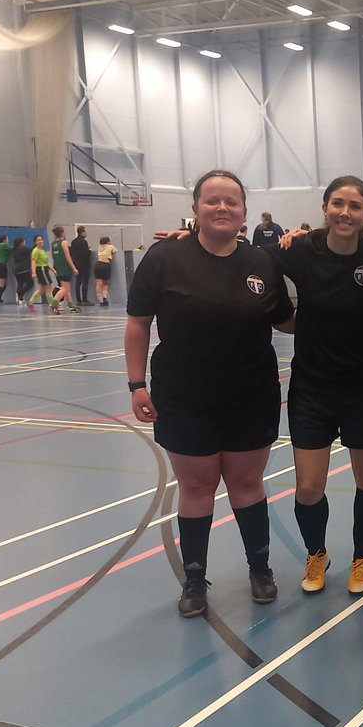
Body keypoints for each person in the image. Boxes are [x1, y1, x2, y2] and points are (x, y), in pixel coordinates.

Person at [125, 169, 295, 618]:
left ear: (243, 212)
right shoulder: (163, 258)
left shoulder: (262, 262)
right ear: (196, 208)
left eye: (231, 202)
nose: (222, 208)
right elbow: (138, 323)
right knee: (197, 487)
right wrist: (136, 383)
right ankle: (195, 579)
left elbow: (285, 319)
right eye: (212, 200)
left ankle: (260, 568)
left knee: (246, 483)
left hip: (250, 394)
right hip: (183, 397)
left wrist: (332, 299)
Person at [269, 177, 363, 596]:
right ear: (324, 207)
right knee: (307, 486)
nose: (345, 212)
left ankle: (361, 557)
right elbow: (245, 261)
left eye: (354, 206)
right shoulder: (302, 249)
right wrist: (189, 237)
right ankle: (317, 552)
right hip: (312, 387)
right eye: (337, 203)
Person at [49, 226, 80, 313]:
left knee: (66, 288)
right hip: (65, 267)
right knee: (65, 288)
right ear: (62, 233)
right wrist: (73, 267)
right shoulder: (64, 242)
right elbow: (67, 256)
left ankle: (71, 306)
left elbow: (53, 256)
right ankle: (54, 304)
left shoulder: (53, 243)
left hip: (58, 267)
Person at [27, 234, 57, 313]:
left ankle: (30, 303)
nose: (40, 241)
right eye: (38, 240)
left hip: (45, 269)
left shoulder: (42, 250)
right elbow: (33, 262)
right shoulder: (35, 251)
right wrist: (33, 272)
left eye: (41, 239)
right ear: (35, 242)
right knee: (49, 288)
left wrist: (53, 270)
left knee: (41, 289)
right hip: (41, 270)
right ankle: (53, 305)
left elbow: (47, 262)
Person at [70, 226, 93, 305]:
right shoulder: (83, 242)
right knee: (85, 282)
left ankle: (78, 300)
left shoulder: (73, 242)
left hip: (76, 264)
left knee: (78, 282)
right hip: (84, 264)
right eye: (85, 231)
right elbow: (86, 254)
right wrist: (89, 250)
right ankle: (85, 299)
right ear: (82, 232)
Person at [10, 238, 33, 306]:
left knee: (20, 283)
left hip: (16, 270)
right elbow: (32, 249)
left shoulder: (14, 250)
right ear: (21, 243)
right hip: (24, 269)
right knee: (30, 283)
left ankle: (20, 298)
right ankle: (21, 294)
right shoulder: (24, 249)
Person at [94, 236, 116, 306]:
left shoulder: (99, 247)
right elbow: (115, 251)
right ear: (108, 242)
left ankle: (100, 301)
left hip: (98, 264)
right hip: (106, 264)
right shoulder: (110, 246)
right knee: (105, 282)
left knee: (98, 283)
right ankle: (105, 298)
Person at [0, 235, 12, 303]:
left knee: (3, 282)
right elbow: (13, 249)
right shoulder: (4, 245)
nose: (8, 241)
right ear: (4, 240)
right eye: (7, 239)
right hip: (1, 264)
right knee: (1, 283)